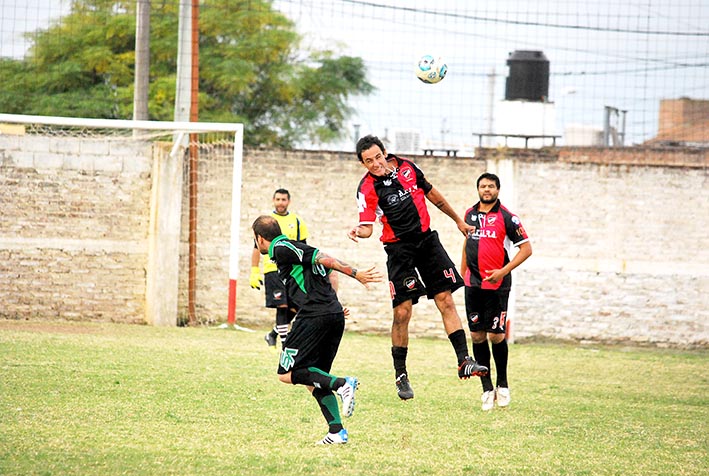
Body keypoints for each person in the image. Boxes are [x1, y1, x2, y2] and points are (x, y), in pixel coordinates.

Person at [347, 134, 488, 401]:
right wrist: (357, 230)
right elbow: (367, 226)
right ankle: (401, 374)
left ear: (385, 152)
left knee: (445, 299)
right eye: (368, 161)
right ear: (363, 164)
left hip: (427, 242)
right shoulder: (367, 188)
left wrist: (458, 219)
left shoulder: (407, 167)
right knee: (402, 312)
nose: (375, 164)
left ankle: (463, 360)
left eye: (378, 157)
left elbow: (432, 193)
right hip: (399, 250)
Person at [253, 215, 383, 445]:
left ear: (260, 238)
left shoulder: (282, 247)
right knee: (314, 378)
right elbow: (323, 274)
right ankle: (336, 432)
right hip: (328, 313)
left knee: (285, 373)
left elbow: (325, 259)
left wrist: (356, 273)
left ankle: (343, 384)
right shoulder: (287, 250)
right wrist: (332, 306)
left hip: (316, 315)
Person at [461, 173, 532, 411]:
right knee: (477, 335)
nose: (487, 189)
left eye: (491, 186)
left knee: (496, 336)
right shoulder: (469, 214)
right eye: (483, 186)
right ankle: (486, 389)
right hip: (473, 285)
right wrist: (462, 275)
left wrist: (503, 271)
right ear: (478, 189)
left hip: (497, 285)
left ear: (498, 190)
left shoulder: (508, 218)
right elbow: (466, 244)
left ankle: (503, 384)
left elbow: (526, 249)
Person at [250, 189, 309, 349]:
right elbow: (256, 247)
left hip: (292, 270)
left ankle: (273, 334)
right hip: (272, 269)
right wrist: (254, 270)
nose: (280, 202)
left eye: (283, 199)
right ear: (273, 200)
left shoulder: (297, 221)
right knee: (281, 305)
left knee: (296, 306)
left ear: (288, 201)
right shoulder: (266, 222)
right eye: (278, 199)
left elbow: (302, 247)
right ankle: (285, 344)